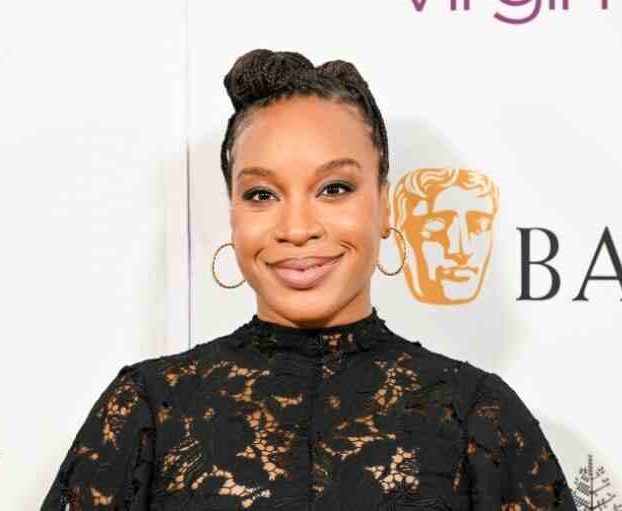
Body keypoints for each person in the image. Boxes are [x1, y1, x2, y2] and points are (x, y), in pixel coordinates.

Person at [39, 49, 577, 510]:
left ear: (385, 205)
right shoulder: (146, 410)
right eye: (262, 195)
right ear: (231, 213)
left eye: (335, 188)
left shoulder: (478, 417)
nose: (297, 228)